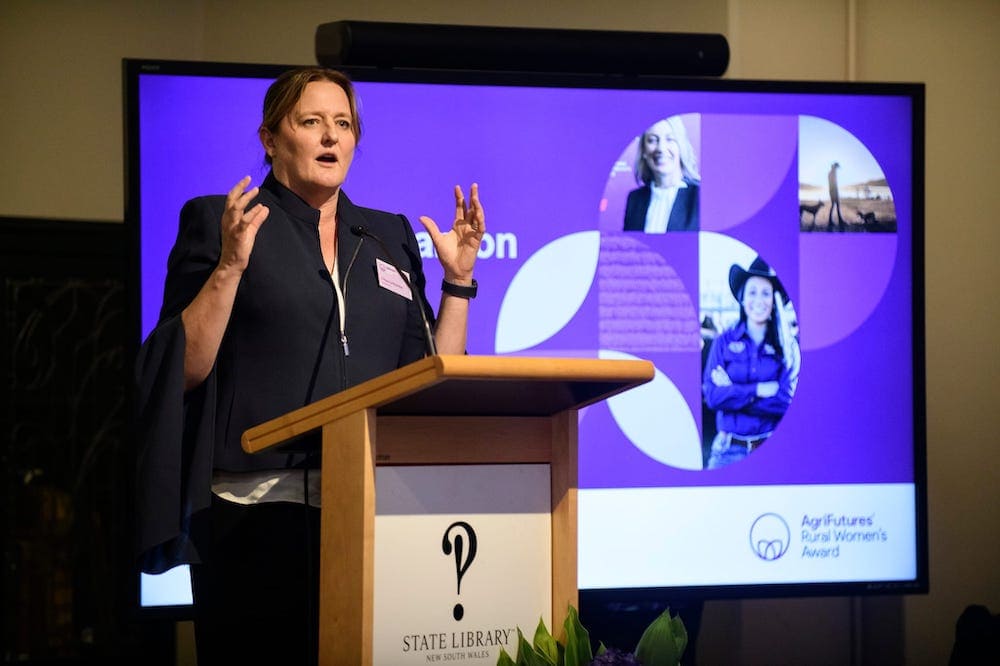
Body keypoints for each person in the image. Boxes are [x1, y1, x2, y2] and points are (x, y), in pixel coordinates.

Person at [133, 67, 485, 665]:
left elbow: (430, 372)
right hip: (252, 515)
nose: (331, 137)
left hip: (366, 511)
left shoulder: (387, 237)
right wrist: (230, 267)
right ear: (271, 138)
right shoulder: (225, 221)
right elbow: (183, 369)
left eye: (343, 124)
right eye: (311, 121)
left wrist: (458, 283)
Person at [701, 257, 799, 469]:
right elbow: (712, 397)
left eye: (765, 293)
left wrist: (733, 392)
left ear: (774, 300)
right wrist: (760, 389)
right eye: (752, 292)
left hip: (773, 450)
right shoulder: (723, 343)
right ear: (742, 297)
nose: (758, 300)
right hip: (727, 451)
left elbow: (785, 403)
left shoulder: (788, 348)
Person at [623, 116, 700, 232]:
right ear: (643, 151)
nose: (661, 148)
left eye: (670, 139)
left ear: (681, 147)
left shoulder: (701, 196)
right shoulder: (634, 200)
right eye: (652, 140)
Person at [827, 161, 843, 230]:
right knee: (835, 205)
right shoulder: (832, 173)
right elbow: (833, 184)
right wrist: (836, 193)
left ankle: (838, 221)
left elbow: (833, 183)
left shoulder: (831, 172)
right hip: (833, 191)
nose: (837, 169)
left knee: (835, 205)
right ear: (834, 167)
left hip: (833, 191)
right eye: (836, 167)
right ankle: (832, 221)